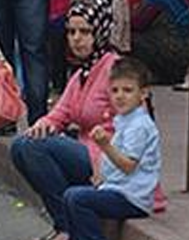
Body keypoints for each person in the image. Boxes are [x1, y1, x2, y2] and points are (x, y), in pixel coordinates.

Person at [11, 0, 120, 240]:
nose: (76, 38)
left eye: (85, 31)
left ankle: (68, 226)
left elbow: (134, 124)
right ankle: (67, 222)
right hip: (86, 152)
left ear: (100, 31)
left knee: (34, 148)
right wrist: (44, 124)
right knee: (21, 146)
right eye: (71, 31)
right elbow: (61, 112)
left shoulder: (116, 69)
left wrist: (106, 159)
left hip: (110, 157)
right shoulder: (82, 71)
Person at [61, 57, 161, 240]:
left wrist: (105, 145)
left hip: (132, 198)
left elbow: (129, 165)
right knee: (70, 196)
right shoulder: (125, 120)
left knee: (77, 199)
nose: (120, 96)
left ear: (143, 93)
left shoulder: (139, 125)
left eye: (128, 90)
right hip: (117, 190)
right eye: (115, 91)